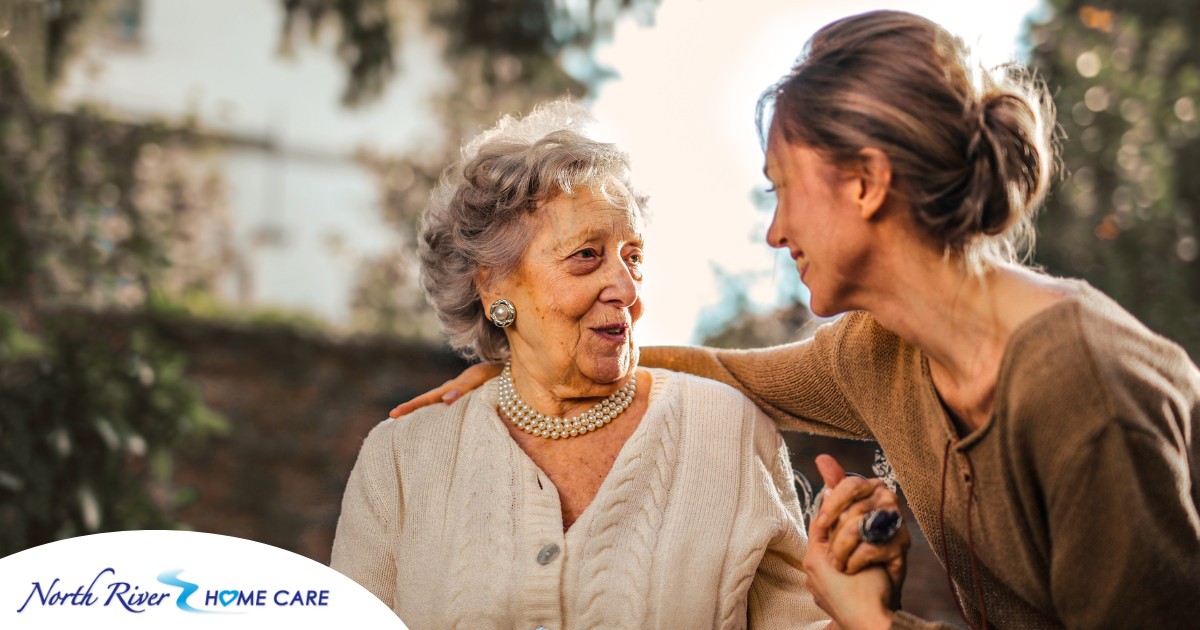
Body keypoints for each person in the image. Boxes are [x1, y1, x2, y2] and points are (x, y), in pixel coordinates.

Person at [390, 11, 1200, 629]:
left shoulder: (1083, 393)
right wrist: (528, 361)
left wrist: (869, 623)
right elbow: (719, 371)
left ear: (866, 183)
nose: (775, 231)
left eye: (782, 187)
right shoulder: (882, 352)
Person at [330, 101, 851, 628]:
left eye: (634, 257)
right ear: (492, 285)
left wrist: (860, 606)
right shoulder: (400, 459)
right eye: (586, 256)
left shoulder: (730, 432)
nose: (627, 290)